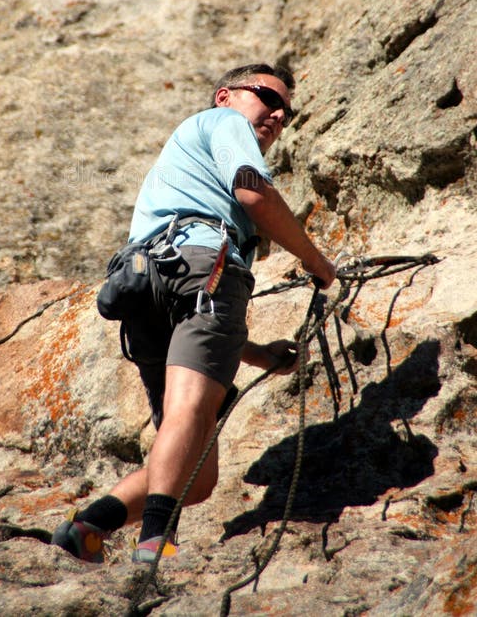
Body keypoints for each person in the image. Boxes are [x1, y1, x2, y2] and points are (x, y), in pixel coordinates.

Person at [52, 63, 336, 564]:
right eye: (267, 96)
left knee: (195, 473)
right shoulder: (224, 124)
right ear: (225, 95)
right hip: (207, 266)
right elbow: (253, 190)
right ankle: (155, 544)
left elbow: (191, 319)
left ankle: (88, 526)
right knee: (191, 412)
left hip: (147, 286)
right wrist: (316, 261)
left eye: (286, 111)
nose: (276, 112)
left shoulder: (182, 163)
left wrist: (254, 354)